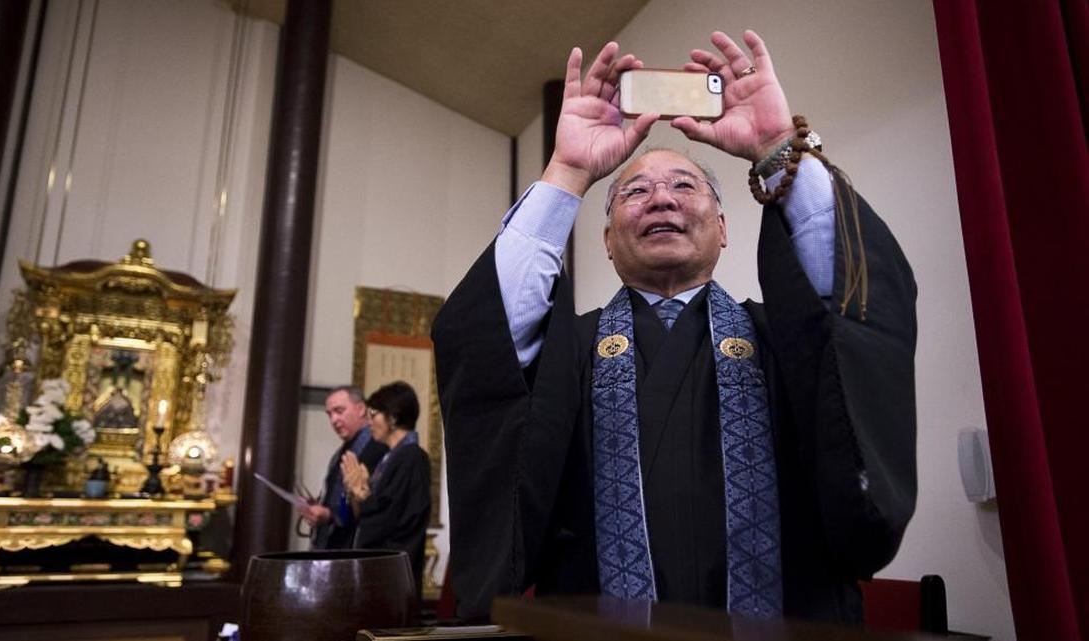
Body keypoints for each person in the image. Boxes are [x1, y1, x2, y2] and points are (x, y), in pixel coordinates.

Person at [432, 30, 917, 624]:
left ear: (723, 226)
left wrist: (776, 146)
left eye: (684, 187)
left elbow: (856, 308)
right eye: (635, 191)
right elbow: (482, 342)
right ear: (608, 241)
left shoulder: (783, 342)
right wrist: (567, 172)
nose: (661, 199)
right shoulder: (570, 354)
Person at [341, 380, 432, 598]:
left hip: (393, 577)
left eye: (374, 415)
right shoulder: (388, 458)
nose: (369, 422)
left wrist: (362, 495)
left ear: (392, 418)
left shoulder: (412, 457)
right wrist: (356, 493)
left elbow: (389, 518)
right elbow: (367, 516)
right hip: (378, 570)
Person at [299, 385, 388, 549]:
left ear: (361, 409)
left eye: (339, 411)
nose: (333, 420)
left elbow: (372, 507)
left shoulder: (377, 447)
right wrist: (318, 504)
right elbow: (338, 495)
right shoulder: (343, 450)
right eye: (330, 414)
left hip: (353, 548)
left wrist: (330, 515)